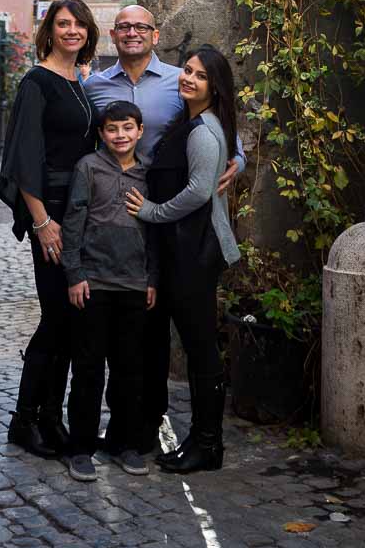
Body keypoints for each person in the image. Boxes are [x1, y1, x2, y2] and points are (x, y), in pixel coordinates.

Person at [85, 5, 245, 450]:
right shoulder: (95, 86)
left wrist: (236, 164)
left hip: (176, 226)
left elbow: (225, 142)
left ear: (156, 35)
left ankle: (202, 438)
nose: (132, 32)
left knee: (193, 340)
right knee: (140, 332)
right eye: (124, 26)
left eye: (141, 26)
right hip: (126, 225)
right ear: (113, 35)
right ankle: (136, 425)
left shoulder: (181, 85)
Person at [126, 44, 241, 474]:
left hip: (195, 248)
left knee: (200, 348)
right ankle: (195, 438)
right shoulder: (188, 121)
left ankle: (208, 444)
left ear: (216, 87)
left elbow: (197, 192)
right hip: (180, 247)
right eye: (187, 71)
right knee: (192, 346)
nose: (188, 79)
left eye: (199, 75)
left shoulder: (204, 130)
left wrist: (152, 212)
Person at [0, 0, 98, 458]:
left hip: (80, 212)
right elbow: (24, 158)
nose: (71, 30)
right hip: (52, 212)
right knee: (55, 315)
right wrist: (42, 223)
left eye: (78, 23)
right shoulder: (37, 82)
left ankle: (51, 418)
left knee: (72, 320)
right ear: (50, 31)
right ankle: (24, 420)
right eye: (62, 23)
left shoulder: (80, 79)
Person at [61, 101, 158, 482]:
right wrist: (74, 274)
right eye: (113, 129)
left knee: (130, 368)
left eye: (128, 128)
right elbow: (73, 221)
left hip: (134, 284)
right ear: (102, 133)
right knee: (88, 368)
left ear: (140, 131)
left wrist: (152, 278)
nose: (121, 135)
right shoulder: (89, 167)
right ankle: (81, 447)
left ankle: (125, 443)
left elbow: (156, 232)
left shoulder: (149, 175)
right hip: (93, 283)